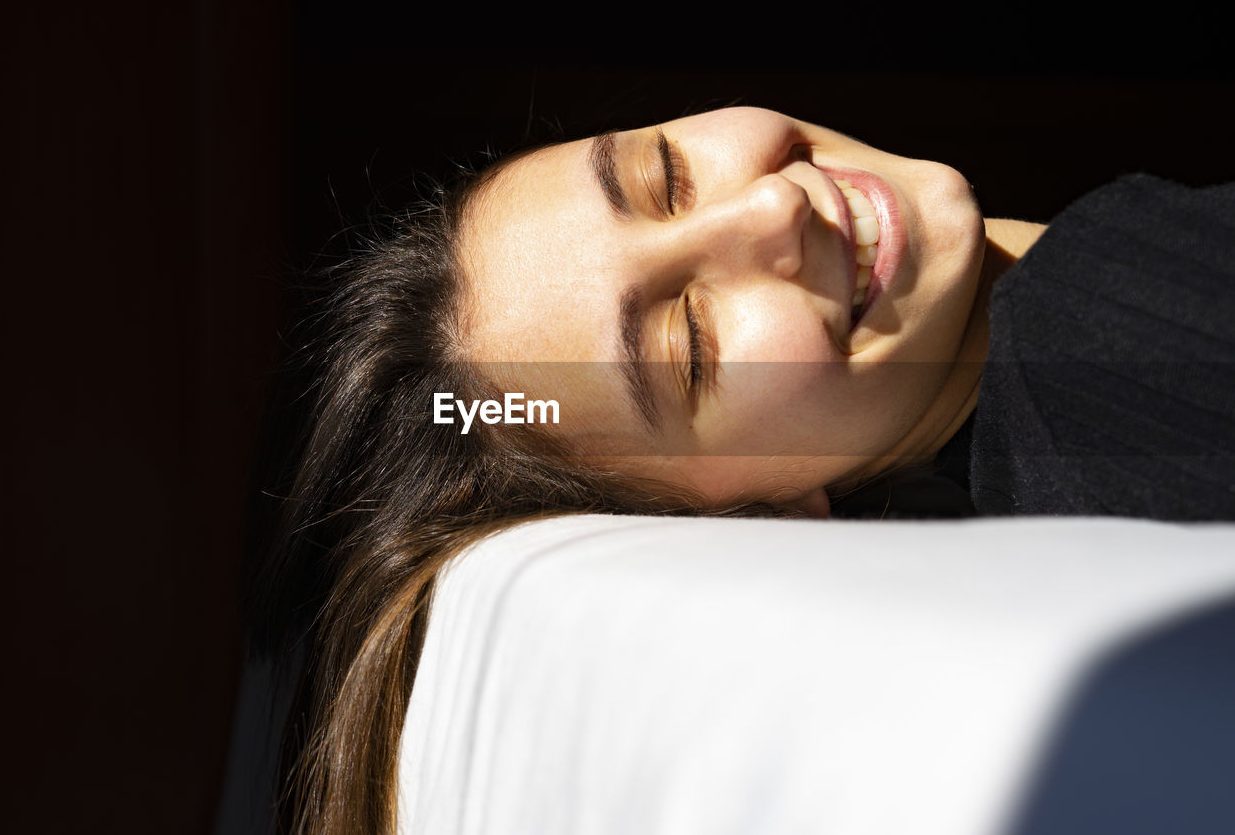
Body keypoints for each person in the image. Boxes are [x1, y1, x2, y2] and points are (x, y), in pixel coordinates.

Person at [250, 106, 1234, 834]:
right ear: (765, 514)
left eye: (665, 175)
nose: (769, 207)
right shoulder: (1102, 340)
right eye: (689, 344)